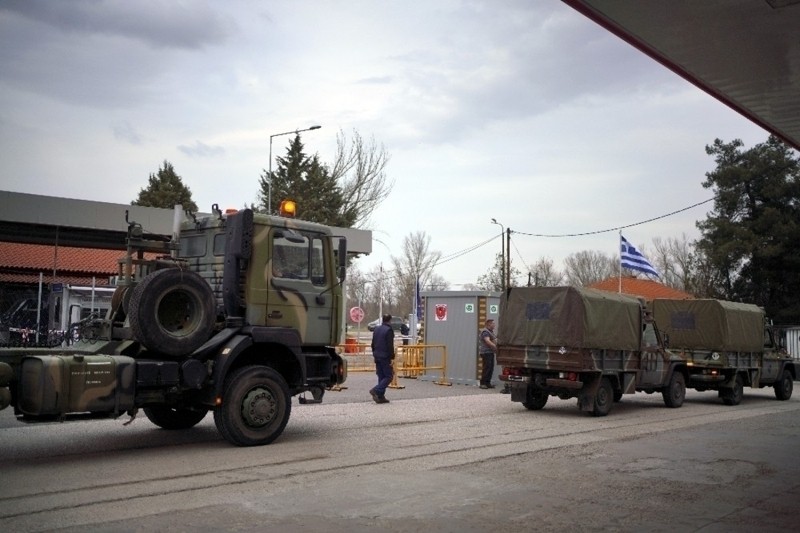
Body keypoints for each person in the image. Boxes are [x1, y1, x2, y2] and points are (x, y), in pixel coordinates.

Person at [369, 313, 395, 404]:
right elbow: (389, 345)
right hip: (385, 356)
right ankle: (376, 390)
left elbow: (373, 344)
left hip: (377, 355)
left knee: (381, 376)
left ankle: (380, 396)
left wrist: (374, 353)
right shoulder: (389, 330)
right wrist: (392, 357)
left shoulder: (376, 329)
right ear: (390, 320)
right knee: (389, 376)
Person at [478, 318, 497, 389]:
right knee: (487, 368)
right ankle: (482, 383)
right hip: (486, 352)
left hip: (490, 352)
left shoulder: (490, 331)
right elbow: (487, 341)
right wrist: (495, 347)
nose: (494, 325)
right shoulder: (485, 332)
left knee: (491, 368)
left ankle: (488, 383)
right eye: (493, 323)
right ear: (489, 324)